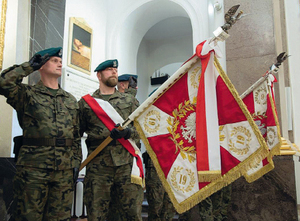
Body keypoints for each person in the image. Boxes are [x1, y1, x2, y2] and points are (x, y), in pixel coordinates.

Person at [0, 47, 82, 220]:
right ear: (42, 66)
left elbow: (75, 135)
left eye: (60, 61)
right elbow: (3, 83)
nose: (60, 63)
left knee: (60, 218)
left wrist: (76, 163)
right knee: (28, 216)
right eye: (54, 60)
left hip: (64, 170)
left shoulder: (69, 99)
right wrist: (29, 66)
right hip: (33, 169)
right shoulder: (26, 94)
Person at [78, 59, 144, 220]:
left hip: (126, 166)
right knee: (97, 213)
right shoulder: (86, 104)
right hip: (98, 167)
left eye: (115, 69)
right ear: (99, 75)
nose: (114, 72)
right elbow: (76, 134)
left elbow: (144, 129)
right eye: (109, 69)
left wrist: (129, 133)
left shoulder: (129, 101)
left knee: (131, 215)